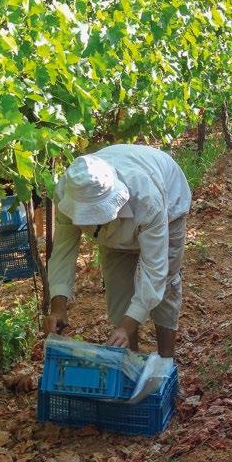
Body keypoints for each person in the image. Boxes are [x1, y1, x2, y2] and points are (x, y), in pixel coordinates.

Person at [43, 144, 191, 358]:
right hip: (115, 235)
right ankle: (128, 363)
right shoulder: (68, 192)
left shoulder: (147, 198)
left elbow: (155, 271)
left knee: (166, 284)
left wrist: (127, 326)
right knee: (118, 288)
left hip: (170, 206)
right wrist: (58, 306)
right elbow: (63, 252)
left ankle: (166, 362)